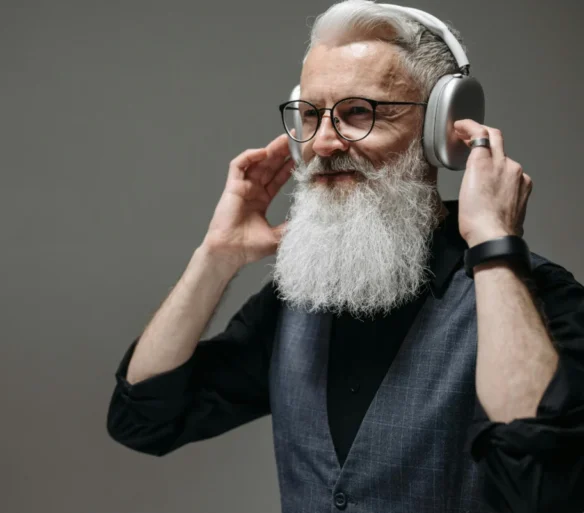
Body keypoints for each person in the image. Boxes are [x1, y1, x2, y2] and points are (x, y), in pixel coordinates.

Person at [106, 1, 584, 512]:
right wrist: (216, 257)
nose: (324, 142)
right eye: (310, 115)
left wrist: (494, 244)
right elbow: (142, 420)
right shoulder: (299, 298)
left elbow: (544, 482)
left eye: (360, 112)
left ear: (443, 128)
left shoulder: (535, 295)